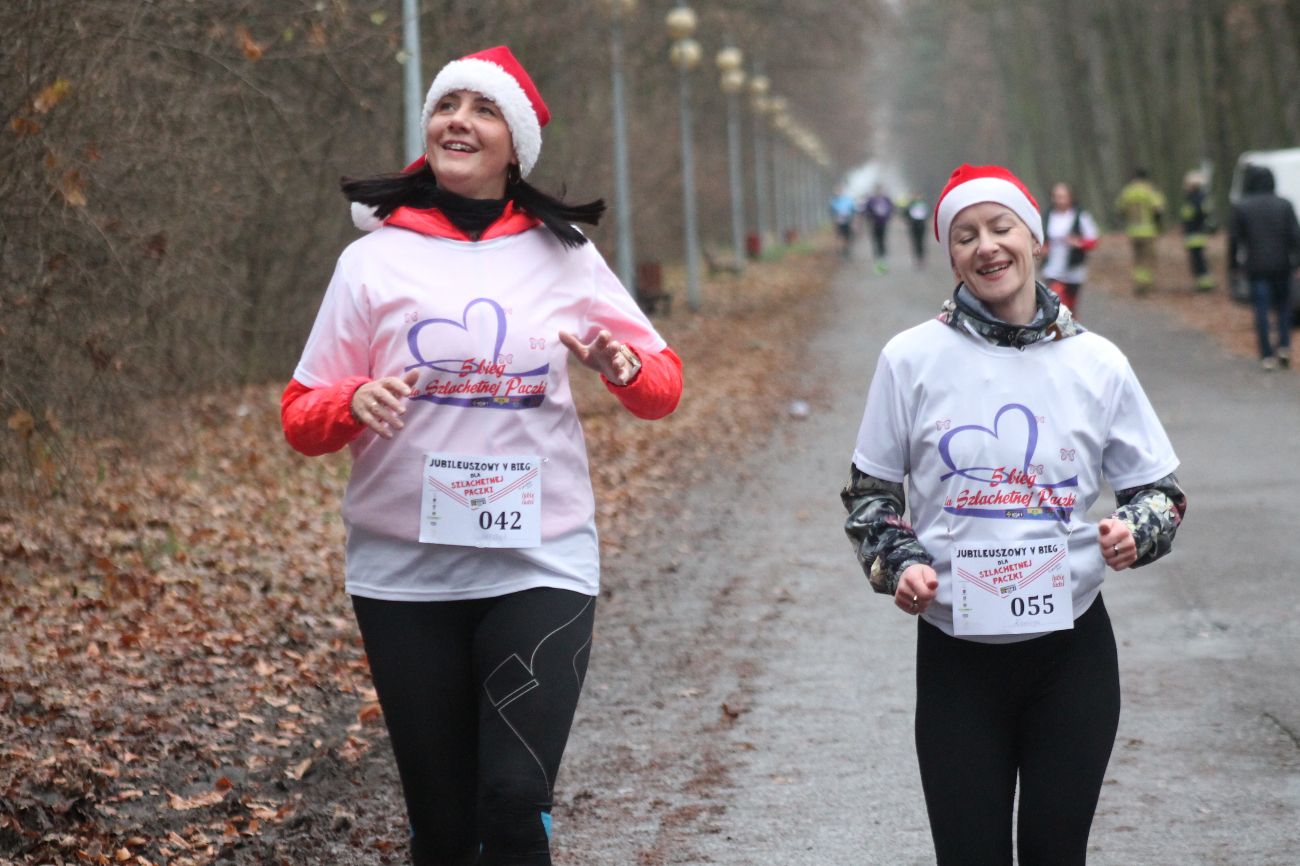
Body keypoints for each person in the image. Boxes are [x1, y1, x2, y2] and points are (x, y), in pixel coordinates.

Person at [280, 46, 683, 866]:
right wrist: (348, 402)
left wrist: (623, 367)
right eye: (447, 105)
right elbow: (299, 417)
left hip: (540, 560)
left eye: (482, 108)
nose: (458, 119)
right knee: (443, 829)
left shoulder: (564, 254)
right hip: (404, 572)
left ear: (516, 145)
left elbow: (663, 387)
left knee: (511, 802)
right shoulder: (371, 261)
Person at [842, 164, 1187, 866]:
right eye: (966, 235)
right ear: (951, 254)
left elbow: (1160, 492)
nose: (986, 246)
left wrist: (1135, 533)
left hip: (1073, 658)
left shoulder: (1098, 362)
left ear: (1034, 238)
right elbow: (871, 493)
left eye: (1001, 227)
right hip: (956, 660)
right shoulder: (910, 359)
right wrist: (900, 565)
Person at [1229, 164, 1300, 371]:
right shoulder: (1284, 205)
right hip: (1282, 265)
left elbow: (1234, 239)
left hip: (1256, 267)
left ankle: (1266, 354)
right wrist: (1297, 263)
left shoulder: (1242, 207)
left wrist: (1233, 265)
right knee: (1283, 307)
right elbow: (1295, 236)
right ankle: (1284, 346)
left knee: (1261, 309)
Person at [1039, 181, 1100, 313]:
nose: (1059, 200)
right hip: (1052, 268)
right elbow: (1041, 238)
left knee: (1071, 306)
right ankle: (1058, 328)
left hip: (1074, 268)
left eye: (1062, 196)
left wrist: (1079, 243)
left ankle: (1072, 330)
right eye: (1056, 196)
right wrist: (1043, 248)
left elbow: (1093, 241)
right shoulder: (1047, 216)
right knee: (1057, 302)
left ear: (1070, 197)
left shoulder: (1080, 215)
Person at [1114, 167, 1166, 294]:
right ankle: (1146, 285)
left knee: (1137, 258)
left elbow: (1119, 209)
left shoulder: (1128, 191)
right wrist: (1159, 225)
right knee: (1148, 258)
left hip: (1133, 231)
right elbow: (1158, 208)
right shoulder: (1150, 190)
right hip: (1148, 230)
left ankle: (1138, 284)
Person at [1180, 170, 1216, 293]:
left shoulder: (1196, 199)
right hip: (1193, 234)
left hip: (1196, 234)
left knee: (1199, 260)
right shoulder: (1197, 198)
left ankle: (1205, 284)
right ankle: (1202, 283)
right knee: (1197, 260)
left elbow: (1192, 216)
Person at [863, 184, 894, 274]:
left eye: (880, 190)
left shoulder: (886, 199)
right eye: (877, 190)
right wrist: (869, 219)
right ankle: (877, 263)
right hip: (874, 224)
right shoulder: (871, 200)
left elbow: (891, 209)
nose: (879, 192)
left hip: (883, 224)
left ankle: (884, 262)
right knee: (876, 243)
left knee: (883, 242)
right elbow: (866, 211)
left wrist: (888, 218)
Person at [901, 192, 930, 269]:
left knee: (921, 242)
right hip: (913, 226)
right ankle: (917, 258)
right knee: (915, 242)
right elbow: (905, 214)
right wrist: (908, 221)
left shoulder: (924, 204)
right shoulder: (911, 205)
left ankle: (922, 259)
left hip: (922, 226)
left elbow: (928, 213)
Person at [829, 186, 857, 259]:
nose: (838, 193)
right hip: (838, 222)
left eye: (839, 191)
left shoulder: (848, 200)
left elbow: (853, 211)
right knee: (839, 236)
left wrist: (854, 222)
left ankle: (846, 250)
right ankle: (839, 251)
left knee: (847, 236)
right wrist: (834, 221)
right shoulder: (833, 202)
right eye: (837, 191)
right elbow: (831, 212)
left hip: (848, 221)